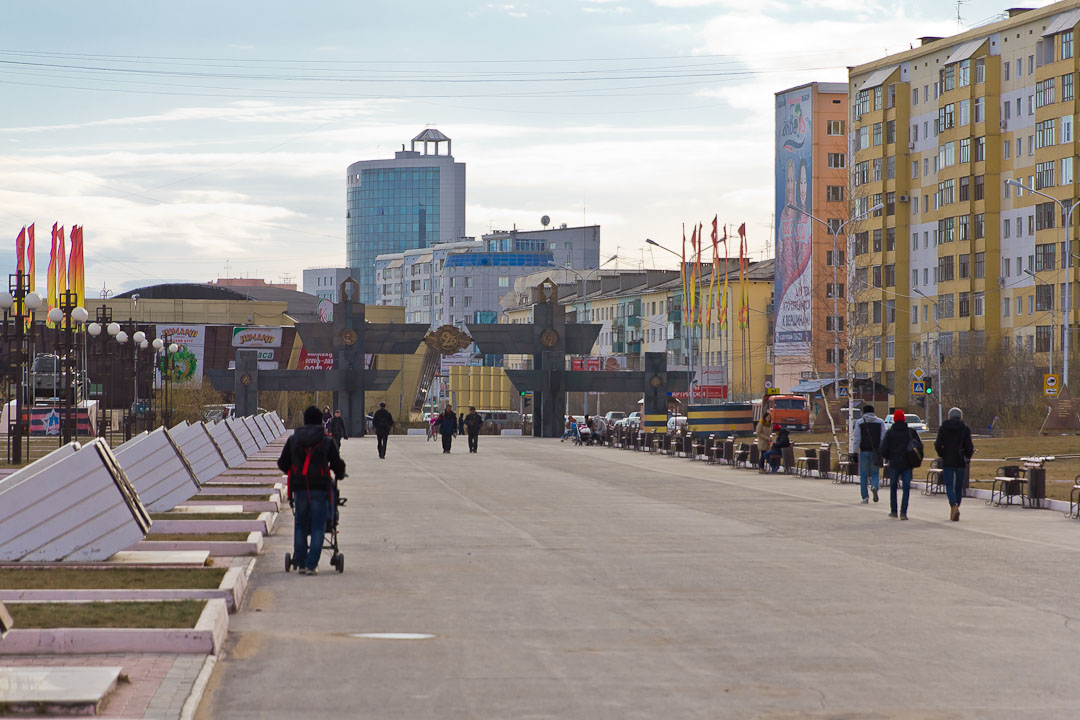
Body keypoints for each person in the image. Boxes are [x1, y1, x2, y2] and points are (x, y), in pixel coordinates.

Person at [277, 405, 345, 575]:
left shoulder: (294, 439)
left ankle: (300, 562)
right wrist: (340, 473)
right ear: (320, 420)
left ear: (305, 420)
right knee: (318, 526)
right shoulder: (326, 440)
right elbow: (337, 464)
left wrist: (294, 472)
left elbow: (282, 463)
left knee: (300, 525)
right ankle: (311, 565)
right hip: (320, 488)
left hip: (299, 488)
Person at [878, 409, 924, 520]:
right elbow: (919, 446)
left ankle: (894, 511)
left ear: (894, 419)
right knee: (906, 487)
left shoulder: (890, 433)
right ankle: (903, 512)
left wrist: (889, 457)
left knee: (893, 486)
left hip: (894, 463)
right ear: (904, 419)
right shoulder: (910, 432)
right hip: (907, 463)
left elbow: (883, 449)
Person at [935, 406, 974, 521]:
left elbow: (937, 444)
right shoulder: (965, 429)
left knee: (949, 485)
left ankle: (953, 505)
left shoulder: (943, 428)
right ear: (960, 416)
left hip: (948, 460)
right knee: (958, 487)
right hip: (960, 461)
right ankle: (956, 506)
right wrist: (967, 457)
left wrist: (942, 453)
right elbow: (969, 447)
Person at [853, 404, 886, 504]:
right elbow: (883, 438)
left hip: (864, 452)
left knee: (863, 475)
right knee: (875, 473)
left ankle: (865, 497)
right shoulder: (880, 422)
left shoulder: (860, 422)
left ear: (864, 412)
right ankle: (874, 486)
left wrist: (854, 452)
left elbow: (857, 439)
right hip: (876, 452)